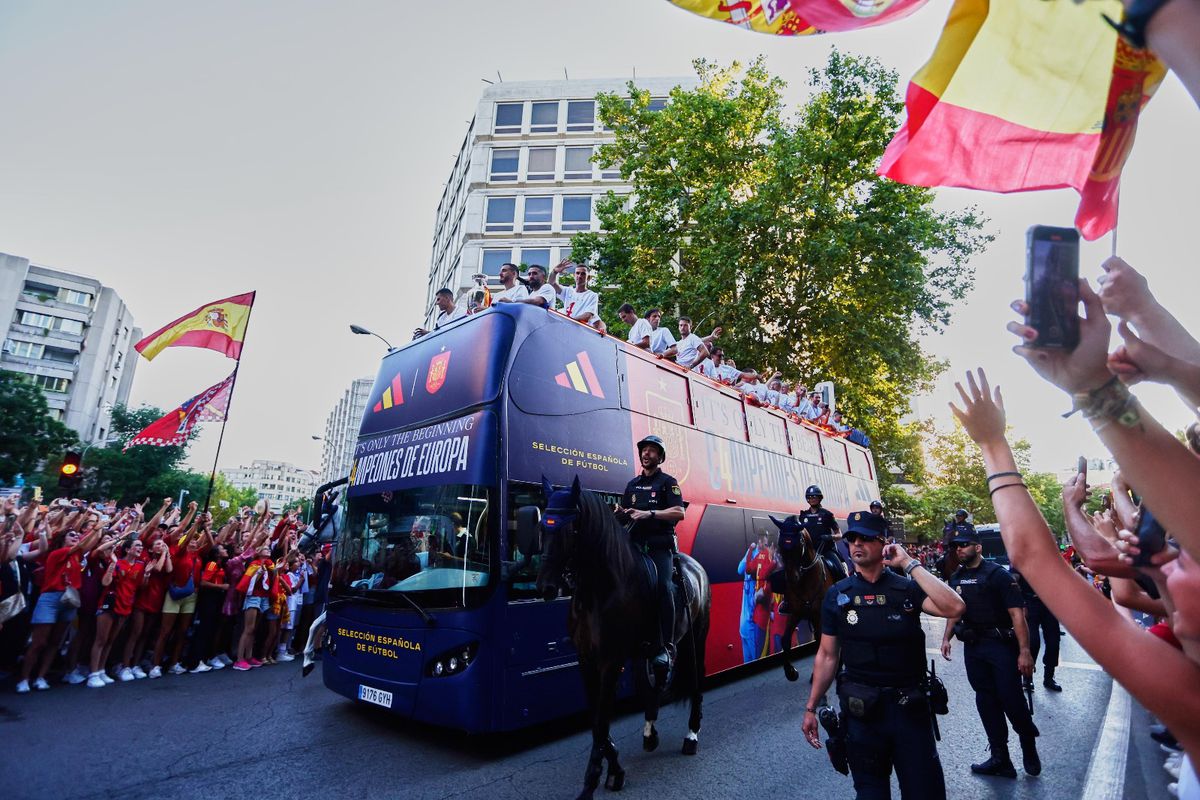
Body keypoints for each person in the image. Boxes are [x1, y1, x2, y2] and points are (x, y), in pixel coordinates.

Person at [802, 511, 965, 800]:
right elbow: (827, 655)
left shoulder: (907, 589)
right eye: (852, 538)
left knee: (924, 793)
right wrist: (811, 708)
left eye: (865, 538)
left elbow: (955, 607)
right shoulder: (837, 595)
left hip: (909, 712)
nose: (856, 544)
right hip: (862, 715)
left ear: (884, 543)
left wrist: (909, 563)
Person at [941, 527, 1041, 778]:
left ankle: (1028, 745)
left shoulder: (998, 575)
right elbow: (954, 611)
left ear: (978, 547)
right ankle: (1000, 758)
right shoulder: (956, 578)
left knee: (1012, 699)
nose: (959, 549)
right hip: (974, 647)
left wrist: (1025, 651)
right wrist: (946, 638)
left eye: (964, 544)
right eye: (956, 545)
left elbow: (1017, 615)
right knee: (986, 702)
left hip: (1001, 646)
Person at [614, 434, 685, 672]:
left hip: (659, 546)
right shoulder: (632, 485)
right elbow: (626, 512)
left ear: (660, 457)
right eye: (644, 449)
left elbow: (679, 512)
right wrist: (620, 513)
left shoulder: (668, 482)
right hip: (634, 545)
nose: (646, 453)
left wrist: (650, 514)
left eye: (652, 450)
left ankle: (667, 646)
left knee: (664, 587)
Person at [1009, 565, 1062, 693]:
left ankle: (1049, 677)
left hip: (1049, 603)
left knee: (1053, 642)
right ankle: (1027, 678)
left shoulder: (1050, 560)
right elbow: (1012, 581)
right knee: (1033, 642)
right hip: (1029, 603)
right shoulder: (1021, 560)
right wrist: (1021, 603)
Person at [800, 486, 847, 580]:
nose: (812, 499)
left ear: (819, 498)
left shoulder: (827, 514)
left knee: (840, 572)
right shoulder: (803, 516)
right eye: (810, 497)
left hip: (826, 550)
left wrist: (829, 537)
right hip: (809, 552)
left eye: (814, 497)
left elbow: (839, 535)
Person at [550, 259, 599, 325]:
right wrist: (554, 272)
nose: (579, 276)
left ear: (588, 278)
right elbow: (551, 284)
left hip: (580, 329)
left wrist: (568, 321)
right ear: (574, 275)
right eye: (577, 273)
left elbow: (587, 316)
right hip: (566, 327)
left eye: (583, 274)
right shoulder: (567, 291)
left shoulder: (592, 295)